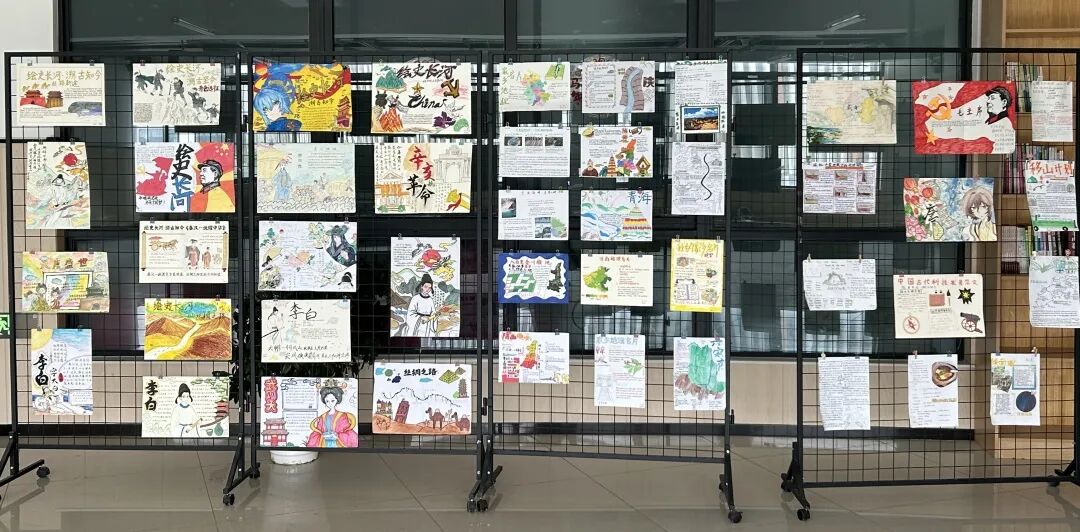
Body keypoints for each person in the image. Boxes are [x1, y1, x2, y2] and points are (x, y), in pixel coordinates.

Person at [306, 382, 358, 448]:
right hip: (324, 443)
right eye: (327, 401)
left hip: (338, 443)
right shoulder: (322, 417)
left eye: (332, 400)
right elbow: (318, 431)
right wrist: (322, 435)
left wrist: (337, 435)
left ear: (337, 400)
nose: (330, 403)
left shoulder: (342, 416)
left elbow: (347, 431)